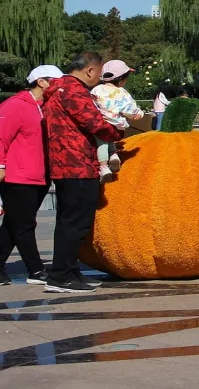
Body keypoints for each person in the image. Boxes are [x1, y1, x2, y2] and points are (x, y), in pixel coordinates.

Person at [43, 52, 125, 293]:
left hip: (63, 163)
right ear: (90, 70)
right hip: (77, 164)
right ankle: (62, 276)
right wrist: (118, 133)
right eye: (100, 73)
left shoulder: (56, 89)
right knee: (76, 222)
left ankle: (68, 270)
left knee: (68, 221)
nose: (100, 79)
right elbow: (94, 123)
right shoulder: (73, 90)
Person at [0, 65, 62, 286]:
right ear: (42, 82)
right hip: (18, 176)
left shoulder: (49, 106)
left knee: (15, 223)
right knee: (24, 224)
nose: (60, 86)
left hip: (42, 175)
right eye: (56, 81)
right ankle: (35, 270)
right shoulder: (16, 105)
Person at [91, 60, 144, 179]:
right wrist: (139, 114)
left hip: (101, 123)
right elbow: (130, 109)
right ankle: (114, 155)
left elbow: (91, 105)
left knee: (102, 143)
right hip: (117, 124)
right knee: (111, 139)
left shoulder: (96, 90)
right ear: (121, 79)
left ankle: (103, 167)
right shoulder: (122, 92)